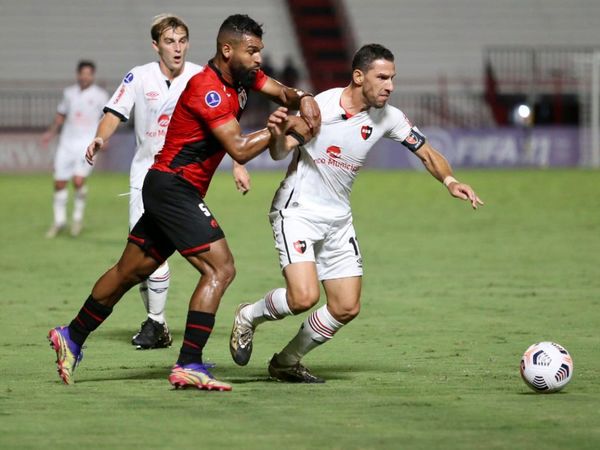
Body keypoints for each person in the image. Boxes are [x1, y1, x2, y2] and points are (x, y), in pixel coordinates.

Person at [48, 14, 320, 391]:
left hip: (169, 188)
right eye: (252, 51)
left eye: (260, 51)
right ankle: (189, 363)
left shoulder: (243, 77)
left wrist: (303, 97)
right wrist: (283, 126)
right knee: (220, 269)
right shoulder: (206, 88)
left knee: (130, 271)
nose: (259, 59)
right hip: (173, 188)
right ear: (228, 50)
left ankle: (72, 335)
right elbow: (239, 146)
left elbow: (281, 90)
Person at [229, 43, 484, 383]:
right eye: (382, 77)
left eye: (392, 78)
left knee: (346, 306)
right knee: (304, 297)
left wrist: (450, 180)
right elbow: (280, 153)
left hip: (338, 218)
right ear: (359, 76)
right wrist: (279, 134)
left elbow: (426, 151)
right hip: (298, 212)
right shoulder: (321, 106)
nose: (390, 85)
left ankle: (287, 361)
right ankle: (248, 315)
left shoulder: (389, 117)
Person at [84, 14, 206, 350]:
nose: (177, 47)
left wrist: (238, 164)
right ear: (156, 46)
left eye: (182, 40)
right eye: (170, 41)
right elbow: (114, 113)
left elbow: (219, 121)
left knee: (155, 256)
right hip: (146, 177)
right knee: (144, 257)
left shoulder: (199, 77)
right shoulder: (139, 77)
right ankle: (157, 323)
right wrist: (99, 138)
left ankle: (156, 323)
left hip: (184, 178)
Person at [41, 61, 109, 238]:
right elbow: (61, 115)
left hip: (87, 144)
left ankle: (77, 219)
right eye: (83, 73)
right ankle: (59, 221)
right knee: (59, 183)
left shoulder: (100, 95)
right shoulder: (69, 93)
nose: (85, 76)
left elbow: (107, 118)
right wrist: (50, 133)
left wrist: (104, 138)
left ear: (93, 75)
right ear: (78, 74)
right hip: (66, 143)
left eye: (89, 73)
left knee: (78, 180)